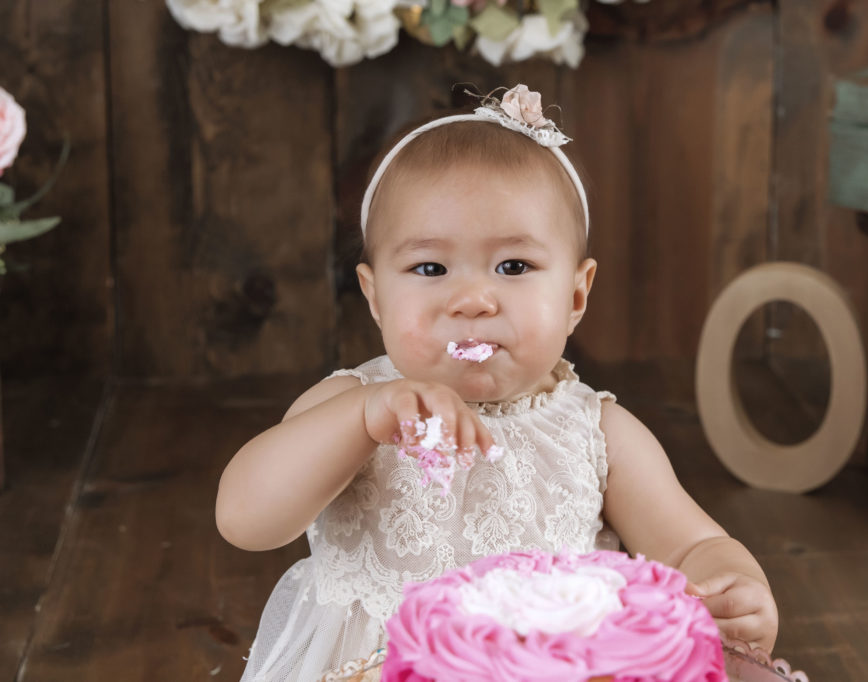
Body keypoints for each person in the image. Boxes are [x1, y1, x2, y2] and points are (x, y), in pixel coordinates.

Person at [217, 85, 778, 682]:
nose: (473, 301)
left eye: (514, 267)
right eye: (429, 268)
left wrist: (734, 587)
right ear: (375, 296)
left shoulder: (598, 430)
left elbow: (691, 545)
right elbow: (246, 519)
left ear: (575, 296)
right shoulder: (351, 407)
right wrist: (362, 419)